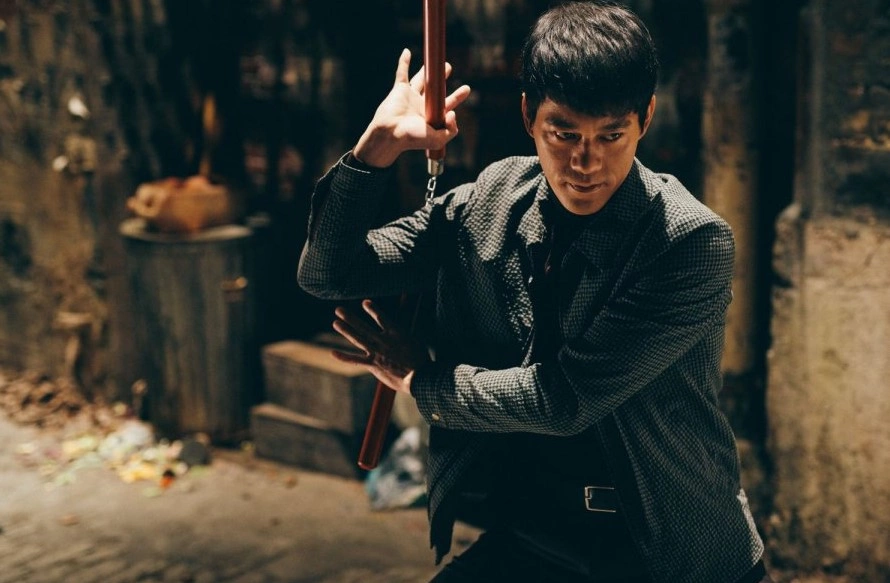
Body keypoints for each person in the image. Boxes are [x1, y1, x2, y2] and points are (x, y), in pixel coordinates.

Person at [297, 2, 770, 581]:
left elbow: (565, 398)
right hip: (533, 534)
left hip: (666, 552)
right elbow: (330, 273)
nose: (586, 162)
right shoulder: (496, 198)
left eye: (611, 135)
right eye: (563, 134)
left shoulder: (688, 241)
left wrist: (423, 382)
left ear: (645, 117)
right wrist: (376, 149)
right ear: (527, 115)